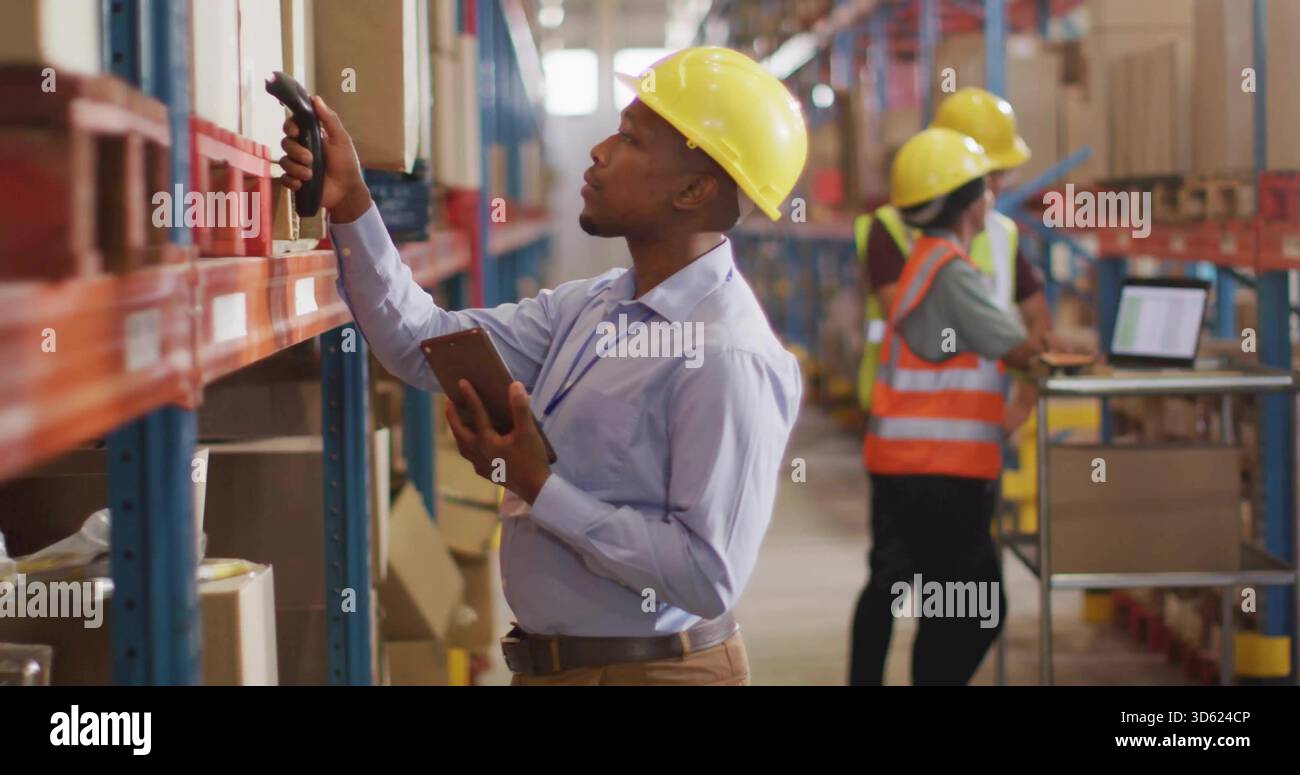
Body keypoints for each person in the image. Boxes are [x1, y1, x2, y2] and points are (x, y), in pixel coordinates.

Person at [277, 47, 808, 686]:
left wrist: (542, 488)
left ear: (694, 190)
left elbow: (705, 575)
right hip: (554, 665)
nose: (600, 151)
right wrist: (352, 201)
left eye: (632, 140)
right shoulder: (591, 307)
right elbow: (424, 343)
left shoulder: (728, 355)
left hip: (655, 674)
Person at [847, 127, 1055, 686]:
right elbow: (1018, 346)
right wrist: (1063, 358)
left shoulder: (923, 261)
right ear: (969, 202)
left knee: (934, 601)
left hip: (904, 461)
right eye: (986, 186)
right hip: (941, 472)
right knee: (972, 611)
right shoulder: (952, 273)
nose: (994, 194)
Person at [854, 88, 1050, 433]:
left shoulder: (1004, 235)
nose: (999, 185)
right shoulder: (890, 230)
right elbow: (913, 320)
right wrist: (1024, 352)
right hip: (905, 425)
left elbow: (1038, 319)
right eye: (993, 173)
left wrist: (1021, 406)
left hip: (975, 430)